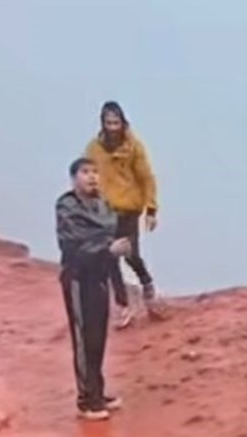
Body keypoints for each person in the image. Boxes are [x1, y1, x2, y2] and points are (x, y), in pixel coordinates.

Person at [56, 157, 132, 420]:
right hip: (78, 278)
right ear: (74, 177)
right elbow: (72, 245)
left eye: (95, 172)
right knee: (83, 338)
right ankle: (86, 400)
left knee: (98, 339)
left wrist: (120, 293)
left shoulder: (104, 206)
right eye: (86, 172)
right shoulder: (67, 207)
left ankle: (97, 391)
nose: (92, 177)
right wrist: (105, 249)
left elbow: (112, 248)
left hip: (100, 278)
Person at [85, 101, 160, 328]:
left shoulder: (133, 147)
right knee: (109, 258)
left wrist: (151, 209)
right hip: (105, 210)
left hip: (129, 208)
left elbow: (146, 177)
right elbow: (87, 175)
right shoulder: (94, 149)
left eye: (116, 122)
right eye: (108, 123)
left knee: (129, 254)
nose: (113, 127)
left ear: (122, 122)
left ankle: (145, 280)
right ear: (103, 124)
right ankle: (123, 305)